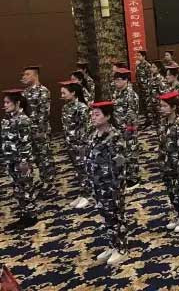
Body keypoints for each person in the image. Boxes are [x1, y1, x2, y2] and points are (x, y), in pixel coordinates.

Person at [87, 101, 128, 266]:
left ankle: (122, 248)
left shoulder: (114, 137)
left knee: (116, 215)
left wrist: (116, 188)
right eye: (92, 114)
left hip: (111, 185)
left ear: (108, 116)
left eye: (97, 114)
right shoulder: (94, 135)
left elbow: (119, 165)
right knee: (105, 216)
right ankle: (112, 245)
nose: (93, 117)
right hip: (98, 184)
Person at [2, 89, 39, 230]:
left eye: (8, 102)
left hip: (21, 162)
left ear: (17, 103)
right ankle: (24, 215)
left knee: (26, 189)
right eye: (4, 102)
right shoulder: (9, 119)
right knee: (18, 190)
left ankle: (31, 216)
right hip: (11, 160)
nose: (5, 105)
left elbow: (26, 143)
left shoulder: (23, 120)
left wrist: (24, 162)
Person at [21, 65, 54, 191]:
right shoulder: (25, 92)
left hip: (41, 130)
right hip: (29, 130)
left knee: (45, 156)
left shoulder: (43, 91)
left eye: (27, 74)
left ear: (35, 75)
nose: (24, 77)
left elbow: (44, 113)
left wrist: (40, 130)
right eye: (24, 74)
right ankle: (42, 177)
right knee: (36, 157)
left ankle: (49, 181)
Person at [60, 81, 91, 210]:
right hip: (71, 143)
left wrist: (82, 144)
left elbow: (87, 127)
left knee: (84, 169)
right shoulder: (66, 107)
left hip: (81, 144)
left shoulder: (82, 108)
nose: (62, 95)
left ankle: (88, 195)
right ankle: (82, 192)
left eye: (64, 93)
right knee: (78, 170)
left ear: (73, 93)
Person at [158, 90, 179, 233]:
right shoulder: (163, 122)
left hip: (177, 165)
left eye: (165, 106)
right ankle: (178, 215)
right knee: (171, 192)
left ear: (174, 107)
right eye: (161, 106)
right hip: (166, 163)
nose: (161, 109)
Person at [111, 67, 140, 189]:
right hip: (118, 128)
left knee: (131, 153)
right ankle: (125, 176)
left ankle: (134, 179)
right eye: (115, 80)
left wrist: (129, 130)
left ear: (125, 80)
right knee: (122, 153)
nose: (116, 82)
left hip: (128, 129)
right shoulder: (117, 93)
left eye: (118, 80)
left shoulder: (131, 95)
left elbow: (132, 115)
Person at [147, 60, 168, 132]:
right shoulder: (151, 78)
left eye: (154, 67)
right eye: (151, 67)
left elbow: (164, 93)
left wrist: (161, 104)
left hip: (159, 103)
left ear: (159, 69)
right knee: (154, 122)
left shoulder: (160, 79)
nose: (151, 69)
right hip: (152, 103)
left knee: (160, 123)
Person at [134, 50, 152, 126]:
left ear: (144, 56)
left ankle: (150, 120)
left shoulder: (148, 65)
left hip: (146, 88)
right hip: (140, 88)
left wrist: (148, 87)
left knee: (148, 105)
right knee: (143, 104)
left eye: (139, 55)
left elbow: (150, 77)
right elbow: (137, 76)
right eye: (137, 55)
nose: (138, 57)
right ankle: (146, 119)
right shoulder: (138, 66)